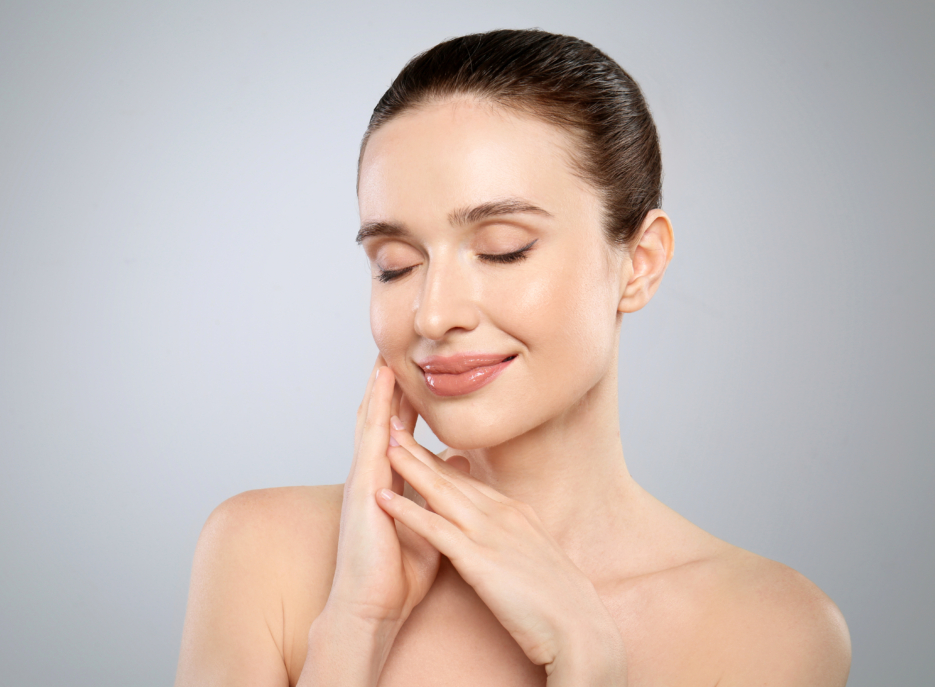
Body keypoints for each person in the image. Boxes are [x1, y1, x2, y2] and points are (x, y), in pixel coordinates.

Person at [174, 29, 851, 686]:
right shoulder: (262, 554)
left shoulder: (768, 630)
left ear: (639, 263)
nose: (433, 314)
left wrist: (589, 663)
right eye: (395, 263)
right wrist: (355, 625)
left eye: (503, 249)